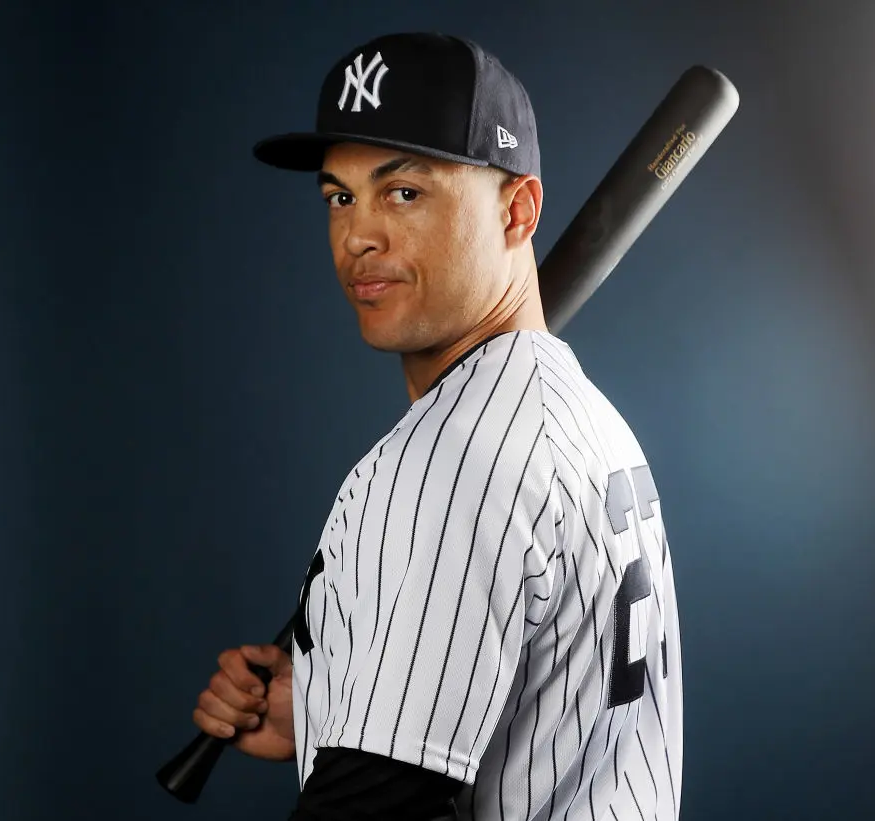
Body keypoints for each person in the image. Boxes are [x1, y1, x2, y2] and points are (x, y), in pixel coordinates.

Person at [192, 32, 683, 820]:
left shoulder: (448, 466)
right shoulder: (585, 418)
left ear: (517, 210)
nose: (359, 235)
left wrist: (361, 757)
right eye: (339, 196)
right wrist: (333, 703)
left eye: (405, 192)